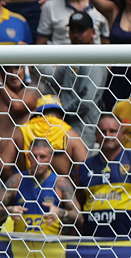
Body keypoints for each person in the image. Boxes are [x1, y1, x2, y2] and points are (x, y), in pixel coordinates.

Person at [0, 139, 82, 235]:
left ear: (51, 158)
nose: (38, 161)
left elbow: (79, 218)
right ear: (28, 157)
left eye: (43, 157)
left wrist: (60, 212)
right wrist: (8, 211)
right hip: (21, 246)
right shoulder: (16, 181)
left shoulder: (60, 183)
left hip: (51, 247)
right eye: (34, 156)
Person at [43, 12, 107, 150]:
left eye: (81, 31)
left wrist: (61, 112)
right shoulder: (72, 57)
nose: (76, 35)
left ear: (93, 32)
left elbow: (86, 101)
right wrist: (33, 62)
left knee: (78, 167)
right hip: (65, 126)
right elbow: (55, 76)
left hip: (82, 128)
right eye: (73, 30)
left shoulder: (95, 60)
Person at [78, 114, 131, 239]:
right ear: (96, 135)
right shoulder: (85, 166)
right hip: (92, 240)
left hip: (126, 241)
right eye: (103, 132)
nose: (107, 135)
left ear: (122, 134)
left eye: (112, 131)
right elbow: (80, 201)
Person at [13, 95, 88, 181]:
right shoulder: (72, 136)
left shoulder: (22, 131)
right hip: (60, 191)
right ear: (62, 117)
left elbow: (3, 167)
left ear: (37, 114)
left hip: (29, 190)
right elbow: (84, 172)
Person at [36, 0, 110, 44]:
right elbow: (41, 42)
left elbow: (106, 43)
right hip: (60, 63)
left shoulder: (103, 7)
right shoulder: (50, 6)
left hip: (94, 62)